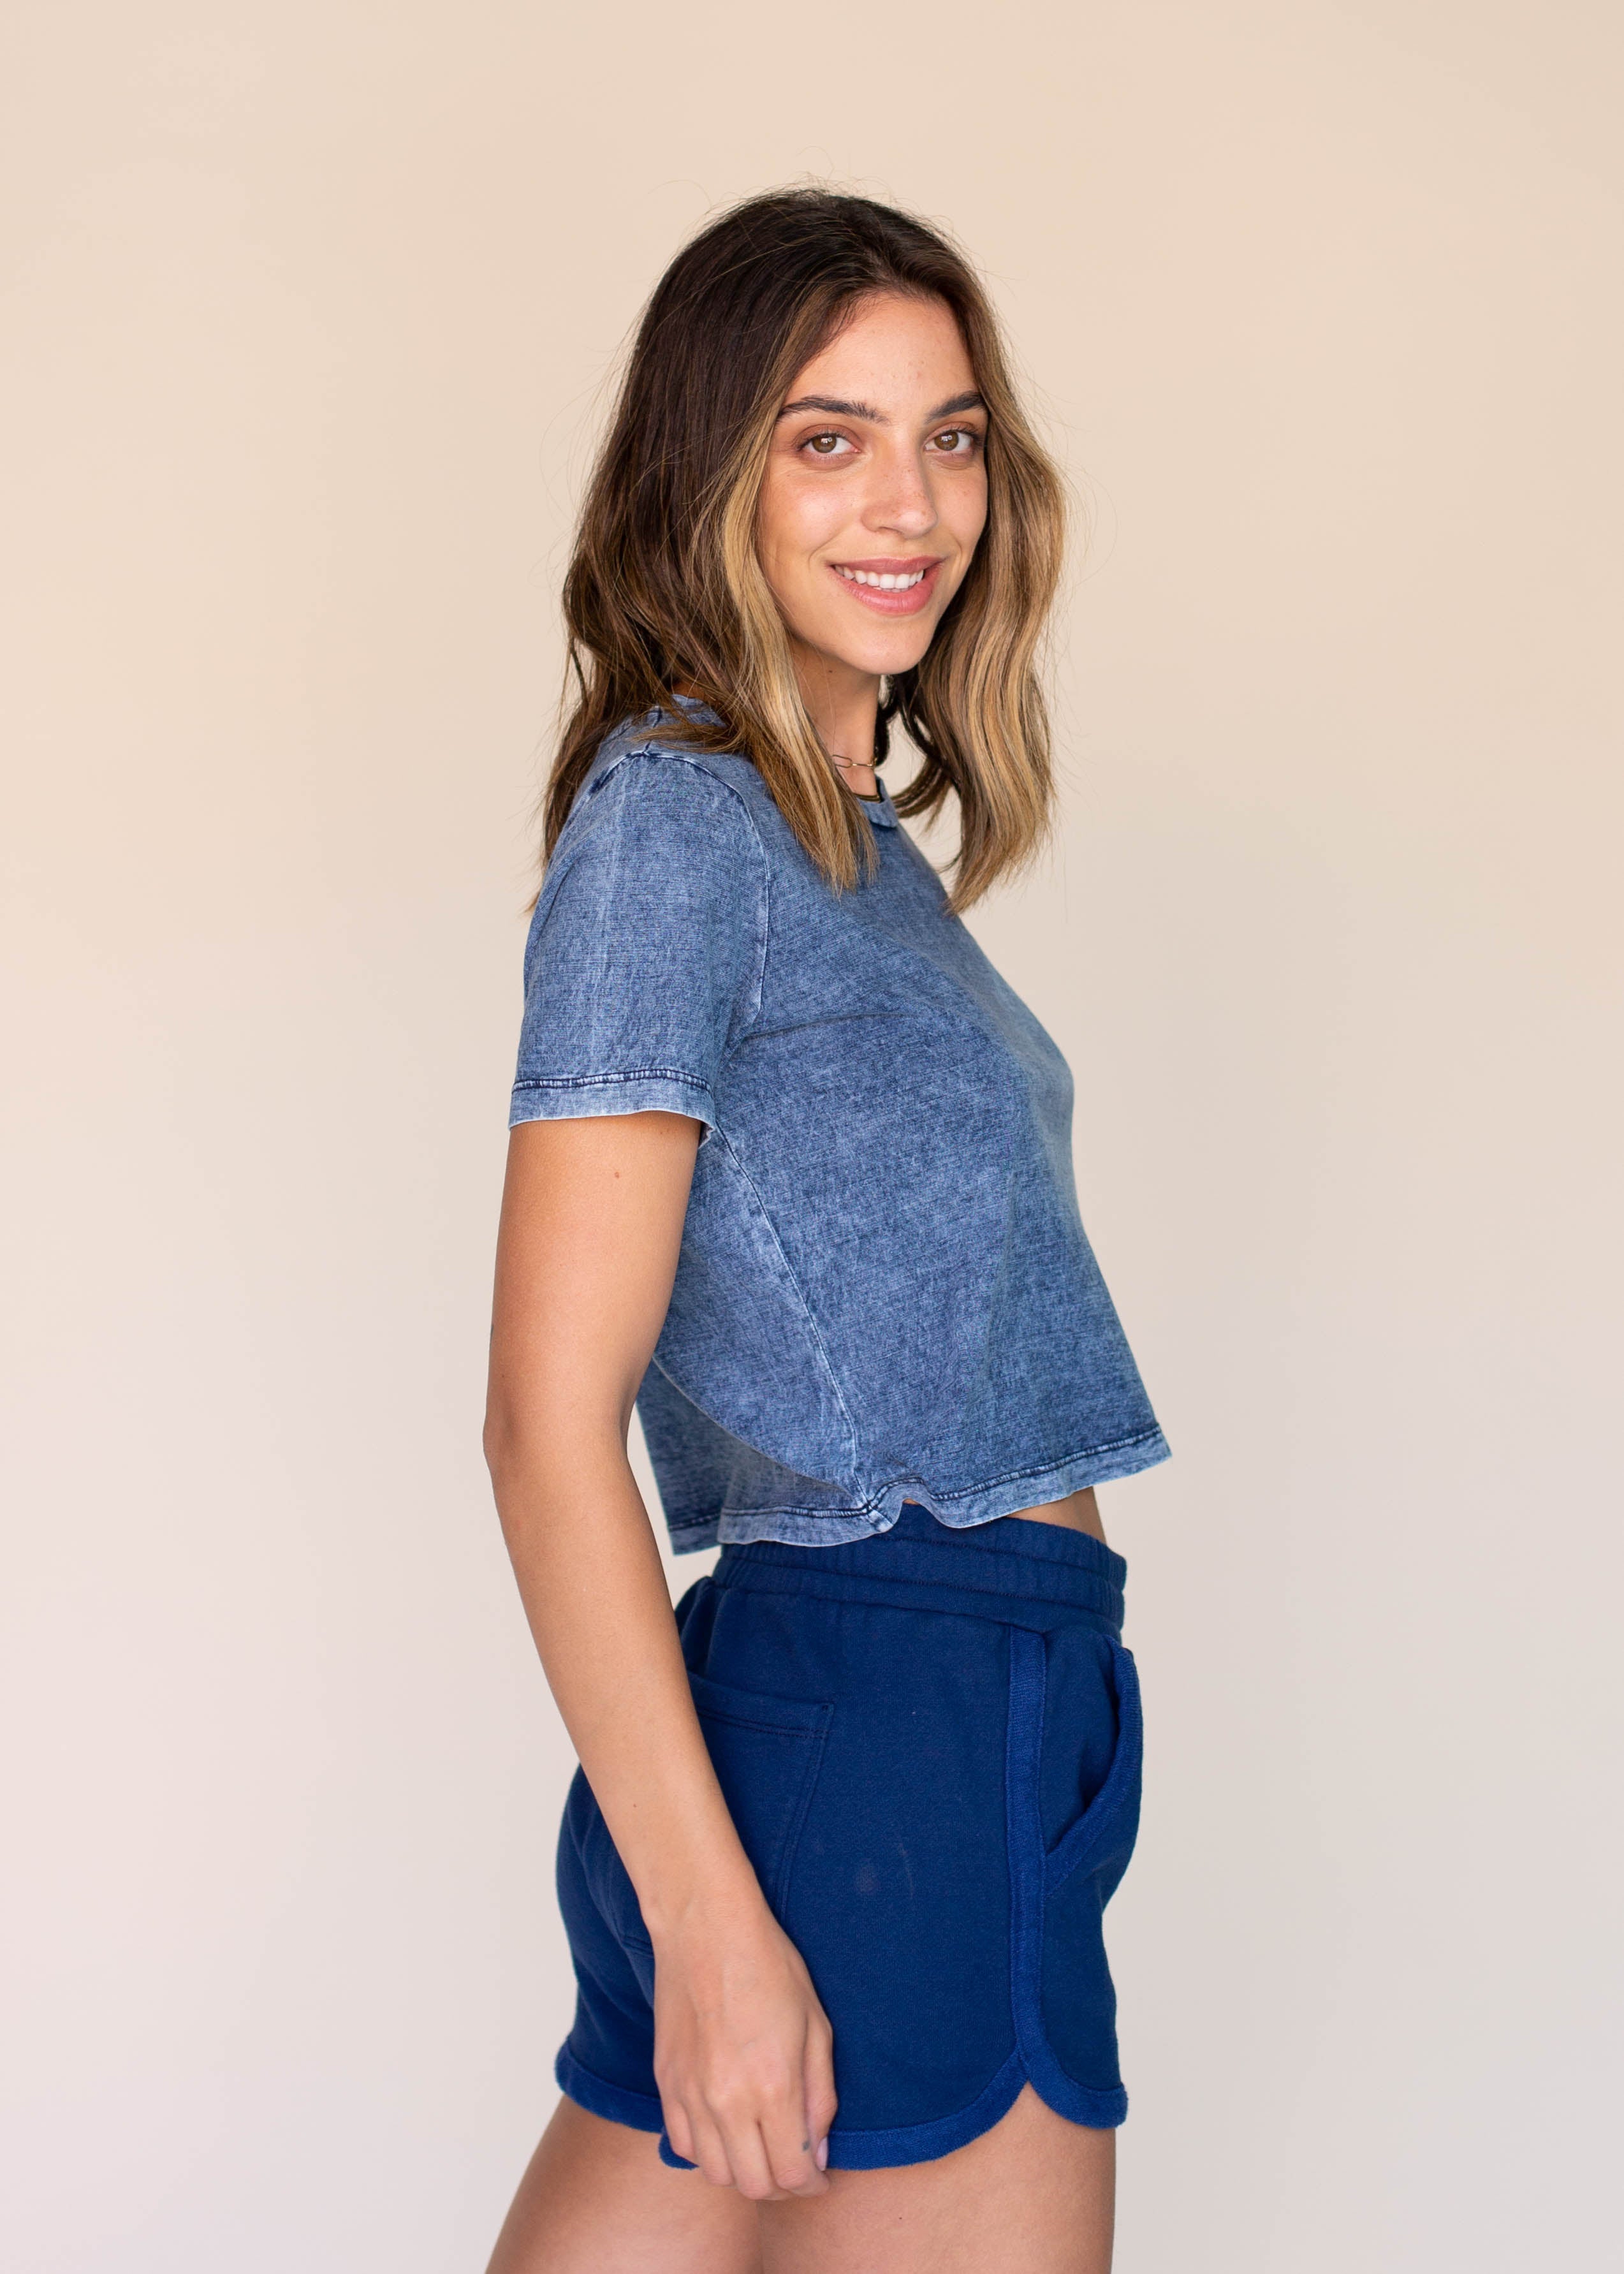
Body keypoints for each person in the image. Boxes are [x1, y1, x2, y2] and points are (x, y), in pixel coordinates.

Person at [481, 188, 1169, 2274]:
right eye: (826, 435)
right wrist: (710, 1923)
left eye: (951, 435)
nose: (911, 500)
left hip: (921, 1706)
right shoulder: (682, 827)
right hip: (894, 1713)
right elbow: (542, 1419)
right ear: (711, 474)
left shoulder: (832, 840)